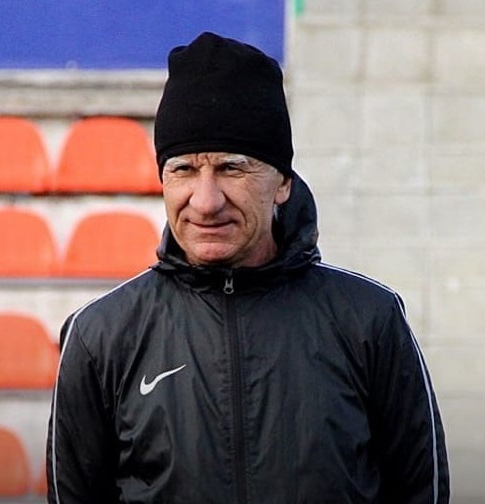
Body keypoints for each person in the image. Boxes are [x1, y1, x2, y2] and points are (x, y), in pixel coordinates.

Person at [47, 31, 449, 504]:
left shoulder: (369, 320)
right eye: (183, 170)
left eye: (231, 168)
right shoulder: (100, 336)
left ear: (282, 183)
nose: (206, 201)